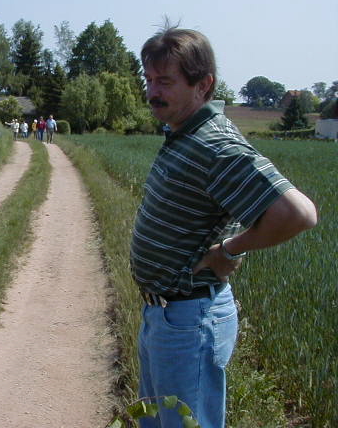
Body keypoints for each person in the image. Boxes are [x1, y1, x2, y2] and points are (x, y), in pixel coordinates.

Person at [131, 25, 317, 427]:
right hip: (163, 316)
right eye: (148, 80)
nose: (152, 92)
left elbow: (299, 213)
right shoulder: (185, 133)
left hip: (188, 321)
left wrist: (229, 249)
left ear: (204, 85)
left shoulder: (214, 144)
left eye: (165, 81)